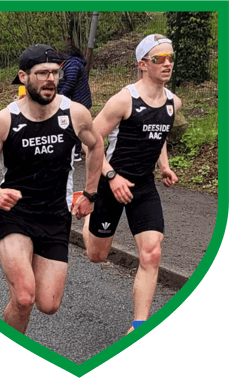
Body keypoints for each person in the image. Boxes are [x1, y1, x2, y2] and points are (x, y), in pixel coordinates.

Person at [0, 44, 103, 334]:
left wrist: (90, 193)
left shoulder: (76, 114)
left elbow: (96, 146)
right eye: (42, 73)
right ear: (23, 76)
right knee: (24, 297)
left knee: (48, 303)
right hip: (14, 214)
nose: (51, 79)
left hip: (55, 216)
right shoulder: (6, 120)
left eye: (55, 72)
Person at [82, 34, 182, 334]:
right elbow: (91, 142)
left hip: (143, 187)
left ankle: (139, 327)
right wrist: (111, 177)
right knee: (97, 255)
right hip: (110, 182)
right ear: (142, 65)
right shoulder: (124, 100)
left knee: (152, 252)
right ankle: (88, 219)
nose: (166, 64)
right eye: (158, 59)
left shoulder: (173, 102)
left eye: (170, 58)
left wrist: (163, 165)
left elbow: (159, 135)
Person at [58, 46, 92, 161]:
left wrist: (59, 96)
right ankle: (76, 150)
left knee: (76, 126)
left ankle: (76, 152)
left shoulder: (72, 65)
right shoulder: (72, 64)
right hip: (77, 99)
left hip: (79, 100)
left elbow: (70, 83)